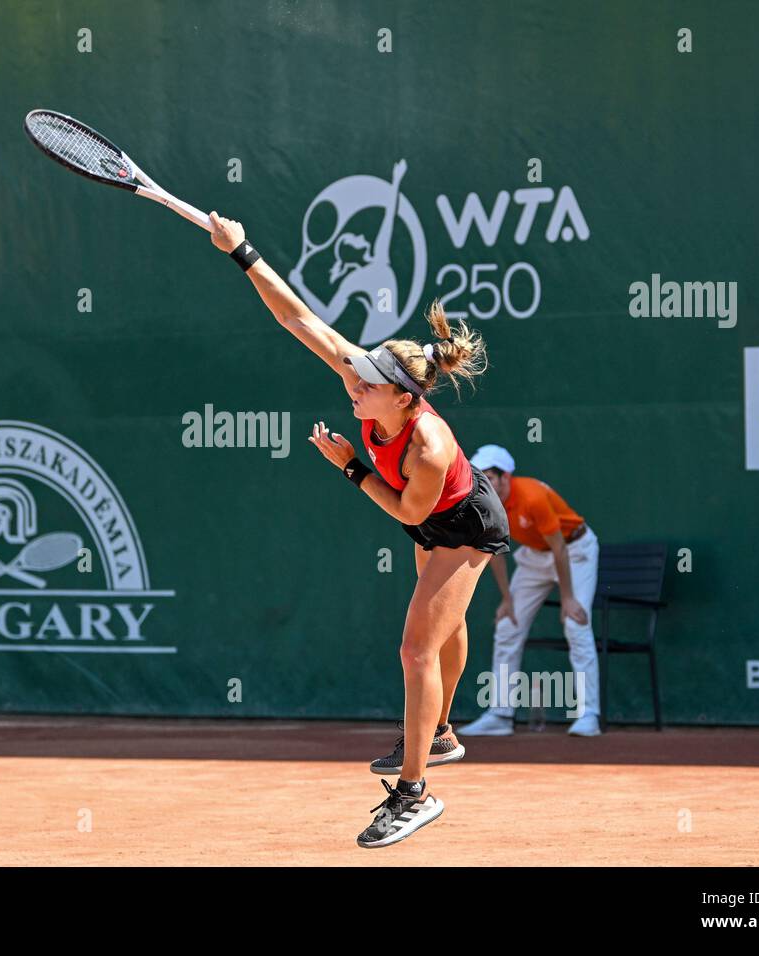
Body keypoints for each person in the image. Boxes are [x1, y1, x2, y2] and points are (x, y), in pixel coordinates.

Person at [208, 211, 510, 848]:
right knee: (444, 628)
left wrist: (350, 466)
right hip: (430, 519)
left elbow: (408, 512)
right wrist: (242, 251)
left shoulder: (427, 446)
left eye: (367, 382)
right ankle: (444, 732)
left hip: (461, 524)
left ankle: (414, 793)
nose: (354, 382)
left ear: (402, 398)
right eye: (358, 371)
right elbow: (297, 318)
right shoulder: (366, 379)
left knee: (416, 649)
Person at [456, 445, 602, 737]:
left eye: (488, 476)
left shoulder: (532, 496)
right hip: (535, 556)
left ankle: (589, 715)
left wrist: (568, 599)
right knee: (508, 625)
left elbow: (559, 547)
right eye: (479, 476)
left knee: (576, 624)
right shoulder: (485, 502)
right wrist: (507, 600)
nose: (482, 482)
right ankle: (500, 714)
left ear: (505, 477)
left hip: (574, 551)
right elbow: (494, 551)